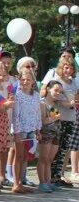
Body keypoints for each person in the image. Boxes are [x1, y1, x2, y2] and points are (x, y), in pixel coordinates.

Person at [42, 57, 77, 187]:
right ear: (61, 68)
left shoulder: (73, 82)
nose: (68, 70)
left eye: (71, 68)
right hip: (59, 118)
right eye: (66, 67)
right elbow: (55, 100)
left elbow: (75, 97)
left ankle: (59, 175)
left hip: (71, 118)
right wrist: (68, 103)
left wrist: (72, 102)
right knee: (55, 149)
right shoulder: (57, 82)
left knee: (64, 149)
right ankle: (51, 177)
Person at [11, 69, 41, 194]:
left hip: (31, 129)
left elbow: (37, 112)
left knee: (25, 157)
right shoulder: (18, 95)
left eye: (28, 79)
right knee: (18, 156)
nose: (25, 82)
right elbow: (15, 115)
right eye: (23, 79)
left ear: (33, 81)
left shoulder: (36, 96)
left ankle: (21, 182)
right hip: (21, 129)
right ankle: (15, 183)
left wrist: (38, 128)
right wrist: (16, 131)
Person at [37, 80, 64, 192]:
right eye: (56, 90)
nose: (58, 93)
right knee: (43, 159)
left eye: (60, 91)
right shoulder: (42, 103)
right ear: (48, 89)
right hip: (46, 133)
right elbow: (43, 120)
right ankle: (42, 183)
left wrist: (56, 117)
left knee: (49, 159)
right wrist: (55, 117)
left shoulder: (56, 104)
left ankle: (48, 182)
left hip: (56, 133)